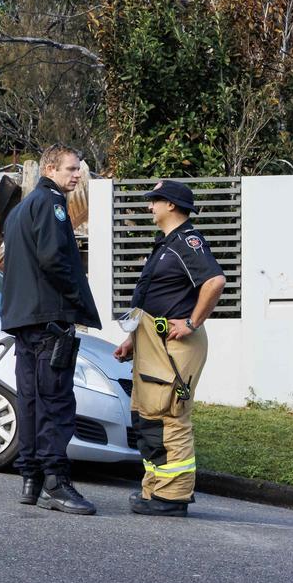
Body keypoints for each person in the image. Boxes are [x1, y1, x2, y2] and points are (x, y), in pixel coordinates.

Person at [114, 180, 225, 517]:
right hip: (153, 344)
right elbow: (154, 296)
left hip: (173, 346)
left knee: (168, 416)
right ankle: (156, 490)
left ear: (171, 206)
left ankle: (172, 497)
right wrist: (134, 339)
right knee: (148, 416)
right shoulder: (167, 244)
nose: (150, 208)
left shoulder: (188, 242)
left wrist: (191, 322)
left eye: (155, 202)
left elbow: (215, 281)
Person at [1, 144, 101, 515]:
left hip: (24, 322)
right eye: (71, 169)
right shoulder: (52, 203)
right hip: (48, 321)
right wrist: (77, 300)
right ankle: (56, 483)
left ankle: (32, 480)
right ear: (49, 169)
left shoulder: (19, 211)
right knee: (55, 403)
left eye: (78, 170)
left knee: (30, 402)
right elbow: (54, 260)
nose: (77, 175)